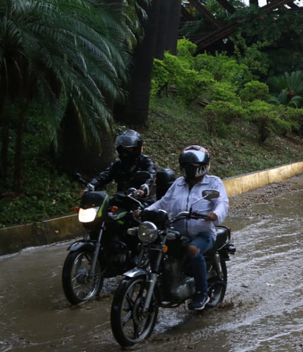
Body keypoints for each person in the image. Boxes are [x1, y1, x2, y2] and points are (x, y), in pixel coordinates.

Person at [140, 145, 229, 310]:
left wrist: (215, 214)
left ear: (202, 166)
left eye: (192, 166)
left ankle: (202, 292)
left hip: (203, 233)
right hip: (177, 230)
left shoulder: (213, 182)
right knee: (156, 246)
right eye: (186, 165)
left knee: (193, 250)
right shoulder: (179, 183)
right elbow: (164, 202)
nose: (188, 169)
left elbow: (221, 202)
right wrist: (146, 211)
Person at [82, 129, 155, 197]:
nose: (124, 150)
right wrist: (91, 185)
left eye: (128, 148)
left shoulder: (145, 162)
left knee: (140, 211)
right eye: (122, 147)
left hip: (141, 201)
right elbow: (105, 174)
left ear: (136, 148)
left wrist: (145, 187)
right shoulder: (118, 163)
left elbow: (152, 174)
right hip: (121, 198)